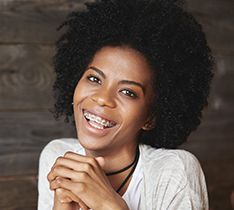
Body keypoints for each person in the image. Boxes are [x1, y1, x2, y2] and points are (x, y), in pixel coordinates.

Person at [37, 0, 214, 209]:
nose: (103, 98)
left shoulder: (175, 171)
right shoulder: (57, 156)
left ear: (150, 117)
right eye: (94, 79)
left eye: (128, 92)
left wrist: (109, 204)